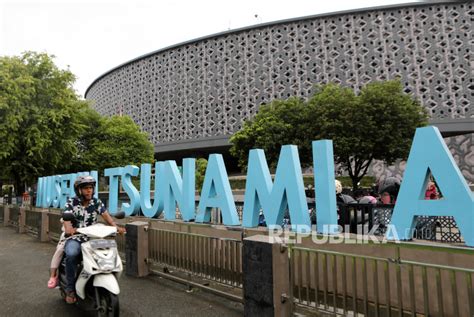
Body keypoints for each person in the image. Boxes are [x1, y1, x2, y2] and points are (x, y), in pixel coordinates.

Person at [62, 175, 126, 304]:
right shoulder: (71, 202)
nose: (89, 191)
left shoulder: (96, 202)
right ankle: (70, 289)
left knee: (106, 254)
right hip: (76, 237)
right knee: (72, 254)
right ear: (79, 190)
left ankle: (96, 280)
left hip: (93, 238)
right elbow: (66, 219)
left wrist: (116, 227)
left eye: (91, 188)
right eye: (86, 188)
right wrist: (69, 229)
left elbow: (106, 216)